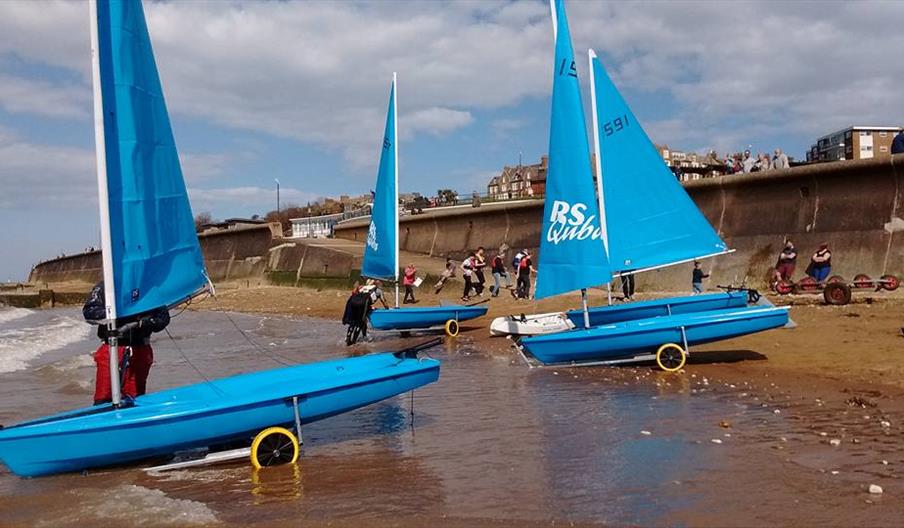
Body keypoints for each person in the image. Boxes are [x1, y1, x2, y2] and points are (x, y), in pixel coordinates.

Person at [82, 281, 169, 405]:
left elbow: (163, 318)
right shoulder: (105, 285)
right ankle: (105, 419)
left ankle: (134, 420)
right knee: (103, 397)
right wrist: (120, 313)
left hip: (140, 350)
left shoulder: (148, 285)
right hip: (112, 348)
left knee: (135, 398)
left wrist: (144, 321)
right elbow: (89, 313)